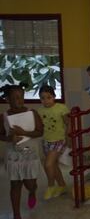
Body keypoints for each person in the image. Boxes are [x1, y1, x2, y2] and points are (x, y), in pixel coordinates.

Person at [0, 84, 43, 219]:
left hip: (30, 153)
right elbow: (0, 134)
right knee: (15, 184)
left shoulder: (32, 113)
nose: (20, 100)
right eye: (15, 98)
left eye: (21, 97)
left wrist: (23, 132)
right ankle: (16, 215)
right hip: (13, 155)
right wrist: (9, 138)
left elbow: (40, 132)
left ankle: (32, 192)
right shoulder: (4, 116)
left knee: (30, 183)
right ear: (7, 99)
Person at [37, 85, 69, 200]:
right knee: (54, 165)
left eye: (48, 97)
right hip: (46, 141)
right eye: (42, 98)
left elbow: (68, 123)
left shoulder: (61, 108)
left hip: (59, 140)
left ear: (54, 96)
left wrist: (68, 138)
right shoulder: (39, 111)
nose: (46, 101)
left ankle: (50, 186)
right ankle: (62, 186)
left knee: (48, 164)